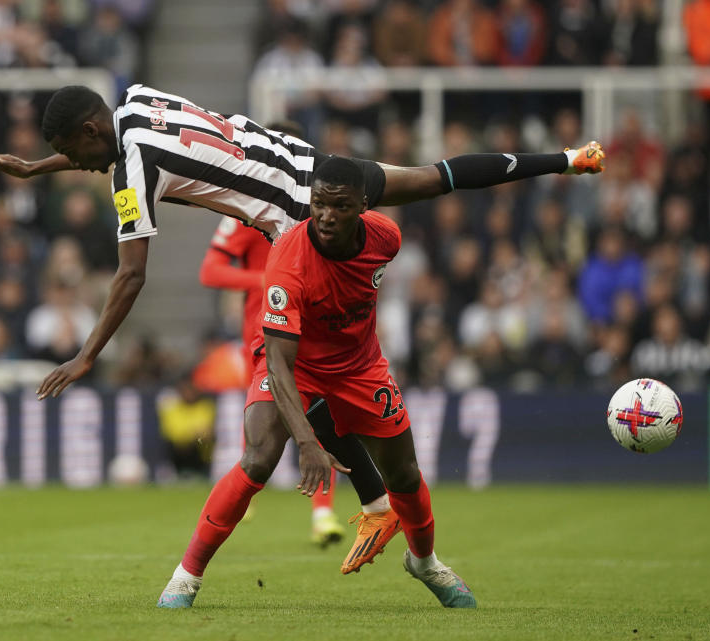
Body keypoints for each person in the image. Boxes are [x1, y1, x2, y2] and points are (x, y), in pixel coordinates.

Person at [0, 83, 605, 403]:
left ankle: (372, 498)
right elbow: (106, 150)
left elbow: (130, 275)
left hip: (299, 222)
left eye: (71, 152)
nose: (76, 163)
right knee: (433, 178)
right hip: (313, 164)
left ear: (88, 130)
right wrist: (36, 167)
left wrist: (87, 355)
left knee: (288, 369)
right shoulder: (137, 101)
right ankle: (569, 159)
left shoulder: (130, 175)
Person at [158, 158, 477, 609]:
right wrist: (307, 441)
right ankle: (185, 577)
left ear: (363, 206)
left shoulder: (386, 237)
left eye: (340, 206)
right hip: (297, 365)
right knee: (259, 457)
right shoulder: (288, 262)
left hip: (360, 366)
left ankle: (424, 562)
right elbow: (279, 364)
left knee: (404, 473)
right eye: (319, 204)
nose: (326, 216)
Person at [200, 211, 397, 566]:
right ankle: (247, 496)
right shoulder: (251, 214)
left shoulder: (322, 215)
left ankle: (322, 514)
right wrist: (268, 278)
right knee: (269, 424)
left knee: (324, 420)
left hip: (322, 339)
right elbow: (210, 271)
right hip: (265, 337)